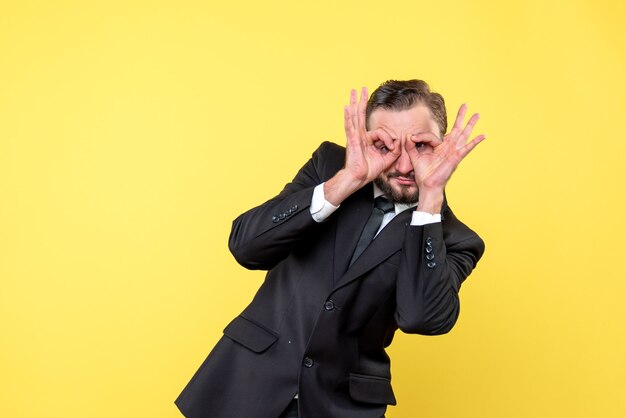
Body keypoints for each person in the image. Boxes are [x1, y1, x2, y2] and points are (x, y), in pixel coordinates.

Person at [175, 79, 486, 418]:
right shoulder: (330, 165)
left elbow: (422, 318)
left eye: (421, 146)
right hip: (246, 386)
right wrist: (346, 181)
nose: (404, 165)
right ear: (367, 139)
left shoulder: (457, 239)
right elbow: (246, 246)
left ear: (444, 145)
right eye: (386, 146)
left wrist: (430, 199)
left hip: (340, 407)